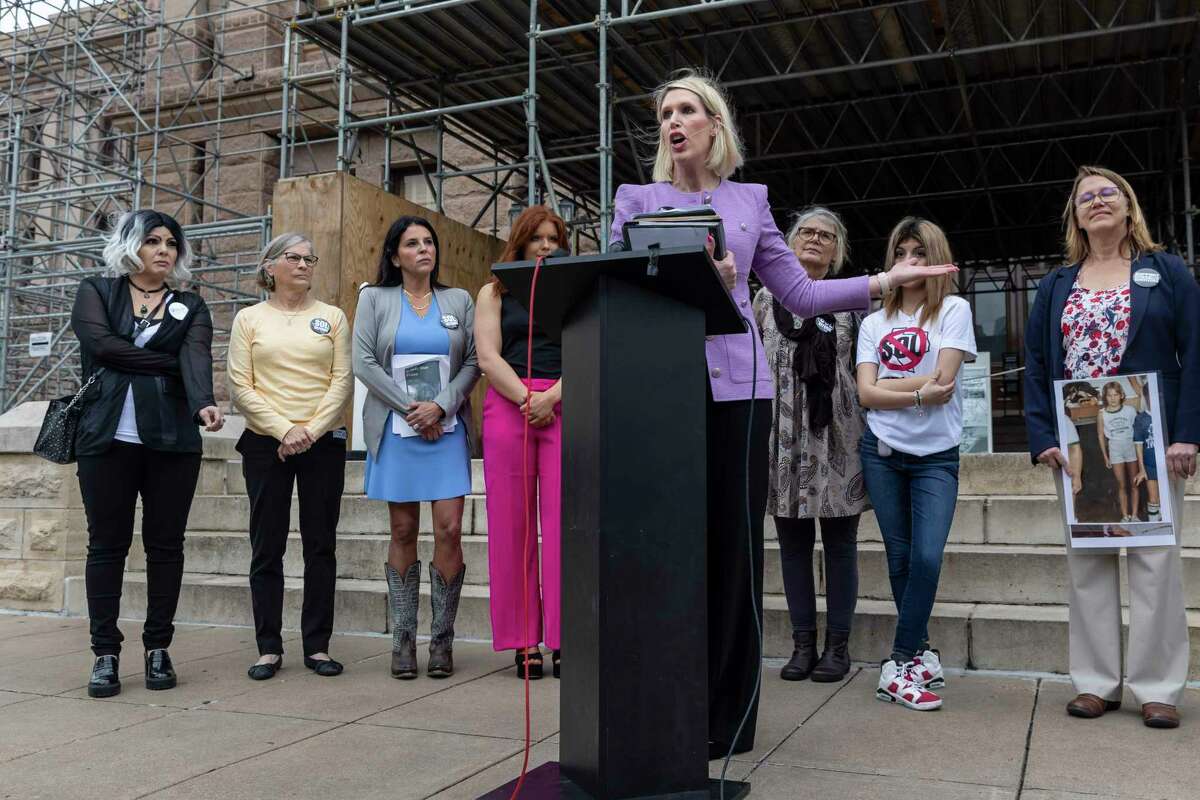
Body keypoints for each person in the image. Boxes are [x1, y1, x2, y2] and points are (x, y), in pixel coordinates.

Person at [609, 68, 956, 757]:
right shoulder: (635, 198)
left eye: (686, 110)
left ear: (714, 124)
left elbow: (801, 294)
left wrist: (884, 282)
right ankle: (668, 704)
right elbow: (620, 281)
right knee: (671, 548)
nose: (673, 121)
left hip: (739, 392)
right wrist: (696, 280)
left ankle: (727, 719)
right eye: (665, 113)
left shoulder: (750, 201)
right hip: (661, 389)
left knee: (734, 551)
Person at [1025, 165, 1199, 729]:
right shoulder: (1056, 284)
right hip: (1080, 439)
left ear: (1128, 207)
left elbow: (1195, 350)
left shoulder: (1166, 271)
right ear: (1076, 216)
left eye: (1109, 193)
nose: (1098, 201)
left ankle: (1157, 688)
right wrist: (1043, 435)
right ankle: (1096, 683)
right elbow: (1037, 363)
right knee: (1089, 562)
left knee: (1154, 563)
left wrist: (1187, 433)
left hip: (1149, 434)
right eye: (1086, 198)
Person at [70, 210, 224, 698]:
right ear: (130, 245)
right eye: (152, 241)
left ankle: (158, 647)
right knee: (106, 546)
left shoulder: (191, 305)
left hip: (173, 441)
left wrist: (203, 402)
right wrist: (166, 363)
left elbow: (195, 358)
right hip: (104, 439)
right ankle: (105, 654)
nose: (163, 250)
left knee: (166, 547)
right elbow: (101, 346)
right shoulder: (97, 291)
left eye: (171, 243)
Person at [855, 217, 976, 712]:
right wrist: (918, 393)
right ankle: (919, 654)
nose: (910, 261)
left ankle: (898, 663)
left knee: (927, 556)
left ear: (937, 258)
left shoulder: (954, 310)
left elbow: (943, 379)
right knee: (900, 558)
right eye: (901, 253)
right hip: (882, 451)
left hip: (937, 457)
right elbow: (865, 394)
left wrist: (889, 389)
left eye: (920, 252)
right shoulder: (873, 322)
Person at [353, 216, 479, 679]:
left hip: (447, 429)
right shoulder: (375, 298)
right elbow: (363, 362)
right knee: (403, 530)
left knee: (449, 529)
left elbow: (473, 361)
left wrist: (440, 407)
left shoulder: (459, 300)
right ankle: (403, 640)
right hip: (398, 426)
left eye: (429, 242)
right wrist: (413, 409)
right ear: (394, 256)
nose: (424, 249)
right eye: (412, 243)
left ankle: (441, 641)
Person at [227, 233, 353, 680]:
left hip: (322, 442)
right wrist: (285, 430)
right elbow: (240, 385)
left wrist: (309, 432)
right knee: (267, 546)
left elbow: (342, 380)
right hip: (266, 444)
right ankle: (268, 648)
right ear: (270, 267)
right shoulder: (249, 319)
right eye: (293, 257)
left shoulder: (332, 317)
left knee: (321, 545)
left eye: (309, 259)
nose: (303, 265)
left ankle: (317, 646)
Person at [752, 207, 866, 684]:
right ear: (788, 241)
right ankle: (803, 645)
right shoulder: (762, 300)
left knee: (840, 545)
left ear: (837, 251)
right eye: (806, 232)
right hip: (781, 439)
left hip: (837, 437)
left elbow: (863, 369)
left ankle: (837, 647)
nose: (815, 239)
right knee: (792, 546)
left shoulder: (852, 302)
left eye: (826, 235)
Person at [476, 206, 565, 680]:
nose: (546, 246)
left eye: (554, 238)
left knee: (564, 525)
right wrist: (528, 399)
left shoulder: (574, 287)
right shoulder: (493, 291)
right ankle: (524, 639)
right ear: (520, 242)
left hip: (564, 401)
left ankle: (566, 635)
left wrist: (552, 398)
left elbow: (590, 347)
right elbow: (488, 357)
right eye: (537, 238)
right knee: (511, 526)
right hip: (511, 405)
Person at [1097, 381, 1139, 521]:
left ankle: (1134, 515)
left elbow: (1138, 432)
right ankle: (1125, 516)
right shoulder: (1102, 414)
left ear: (1121, 395)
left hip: (1131, 447)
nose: (1113, 398)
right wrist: (1105, 456)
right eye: (1109, 395)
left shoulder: (1130, 410)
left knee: (1134, 483)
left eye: (1115, 395)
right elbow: (1100, 436)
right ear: (1105, 397)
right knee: (1121, 485)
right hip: (1115, 449)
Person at [1133, 382, 1160, 522]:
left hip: (1166, 464)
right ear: (1145, 396)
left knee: (1166, 498)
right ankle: (1154, 526)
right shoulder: (1140, 418)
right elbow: (1138, 446)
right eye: (1149, 395)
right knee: (1153, 499)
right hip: (1150, 465)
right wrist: (1142, 470)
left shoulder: (1164, 414)